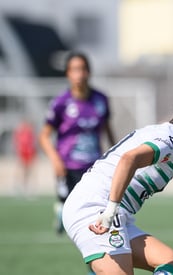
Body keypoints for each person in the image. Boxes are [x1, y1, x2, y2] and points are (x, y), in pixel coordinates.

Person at [62, 99, 173, 275]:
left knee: (170, 261)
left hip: (114, 212)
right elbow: (129, 159)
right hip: (95, 208)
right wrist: (109, 211)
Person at [39, 52, 116, 235]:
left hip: (94, 167)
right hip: (68, 167)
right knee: (69, 212)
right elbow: (44, 136)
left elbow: (107, 129)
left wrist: (115, 156)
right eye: (74, 70)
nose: (79, 74)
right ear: (67, 73)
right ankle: (61, 209)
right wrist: (55, 160)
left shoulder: (101, 100)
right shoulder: (60, 103)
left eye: (82, 69)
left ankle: (96, 257)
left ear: (89, 72)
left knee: (93, 215)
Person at [13, 117, 37, 197]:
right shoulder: (21, 133)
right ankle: (17, 186)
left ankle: (28, 188)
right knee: (21, 171)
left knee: (29, 172)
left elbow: (32, 144)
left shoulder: (30, 133)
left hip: (29, 154)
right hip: (23, 154)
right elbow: (18, 143)